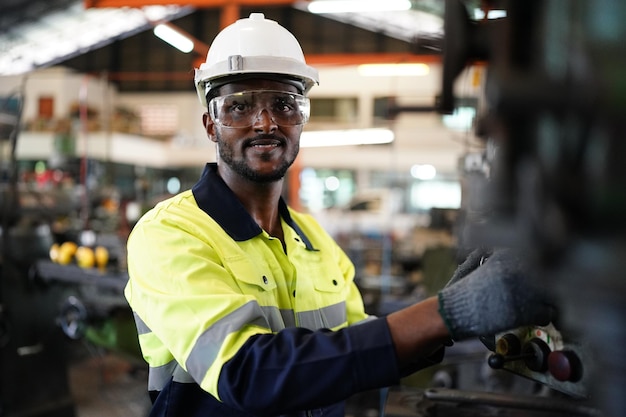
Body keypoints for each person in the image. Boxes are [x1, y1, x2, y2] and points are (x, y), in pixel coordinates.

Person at [124, 13, 554, 417]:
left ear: (301, 119)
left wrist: (457, 311)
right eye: (239, 106)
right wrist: (448, 313)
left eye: (284, 103)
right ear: (210, 124)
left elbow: (359, 347)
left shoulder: (314, 240)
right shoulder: (169, 235)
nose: (265, 123)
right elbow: (248, 373)